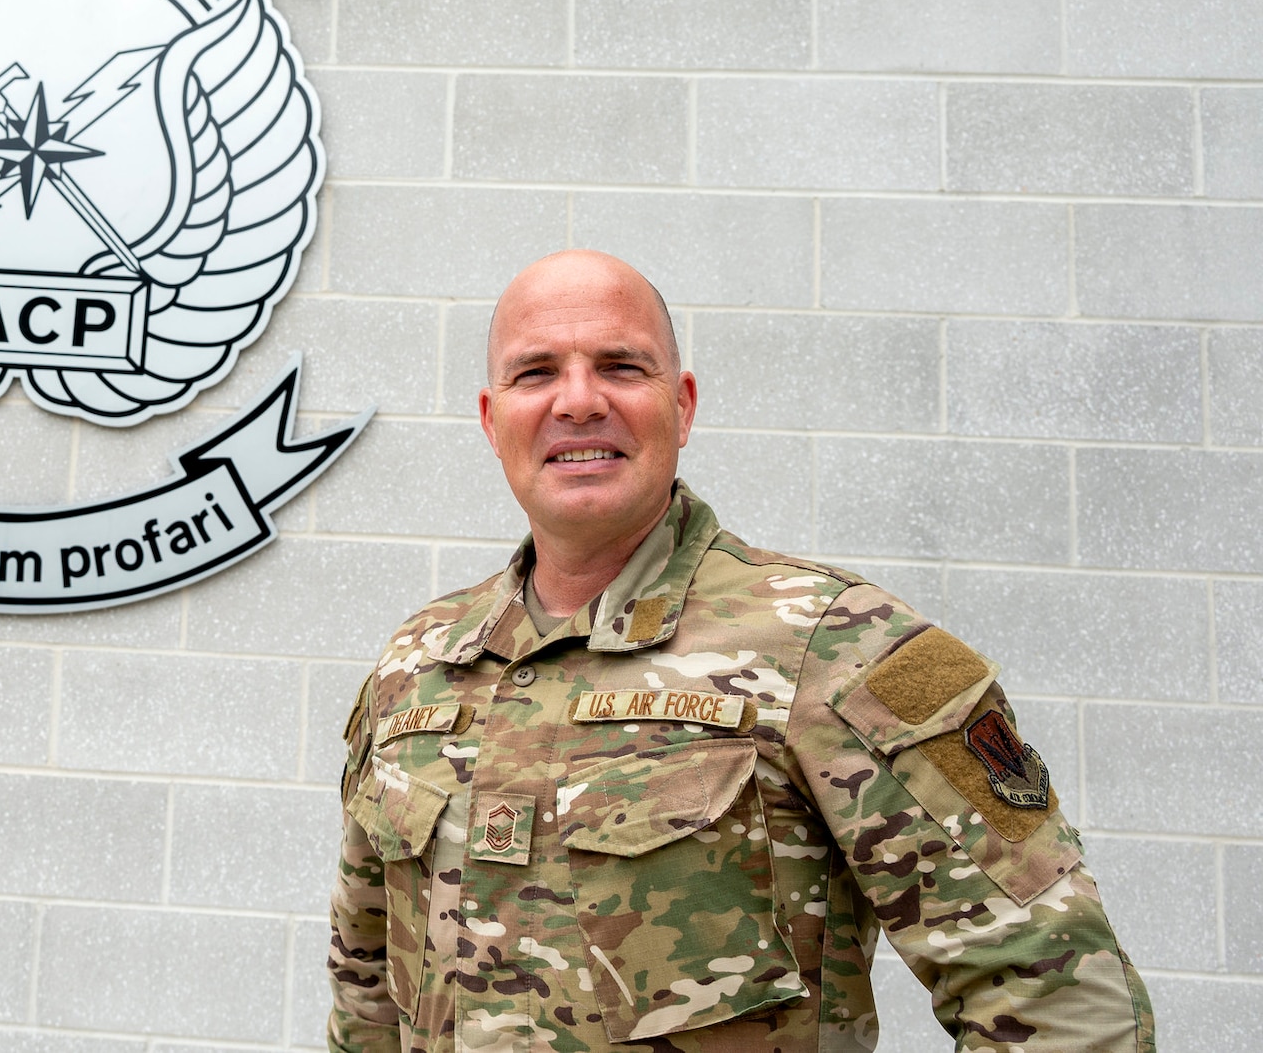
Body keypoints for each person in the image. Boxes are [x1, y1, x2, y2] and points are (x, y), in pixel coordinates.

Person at [326, 250, 1152, 1053]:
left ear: (682, 406)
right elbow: (365, 999)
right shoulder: (420, 663)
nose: (577, 400)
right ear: (490, 416)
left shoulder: (834, 642)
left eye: (620, 366)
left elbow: (1061, 998)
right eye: (536, 372)